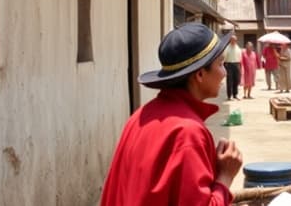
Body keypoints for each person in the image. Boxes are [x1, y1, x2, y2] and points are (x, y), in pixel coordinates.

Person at [101, 23, 243, 205]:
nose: (224, 73)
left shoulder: (140, 116)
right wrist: (225, 176)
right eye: (221, 64)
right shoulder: (188, 132)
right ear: (200, 75)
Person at [223, 35, 242, 100]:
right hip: (229, 64)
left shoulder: (237, 47)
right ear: (230, 40)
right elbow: (224, 57)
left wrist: (239, 65)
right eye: (232, 40)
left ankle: (235, 94)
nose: (233, 41)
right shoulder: (227, 48)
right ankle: (229, 95)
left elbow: (239, 57)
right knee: (229, 81)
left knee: (236, 80)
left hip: (236, 64)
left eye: (235, 40)